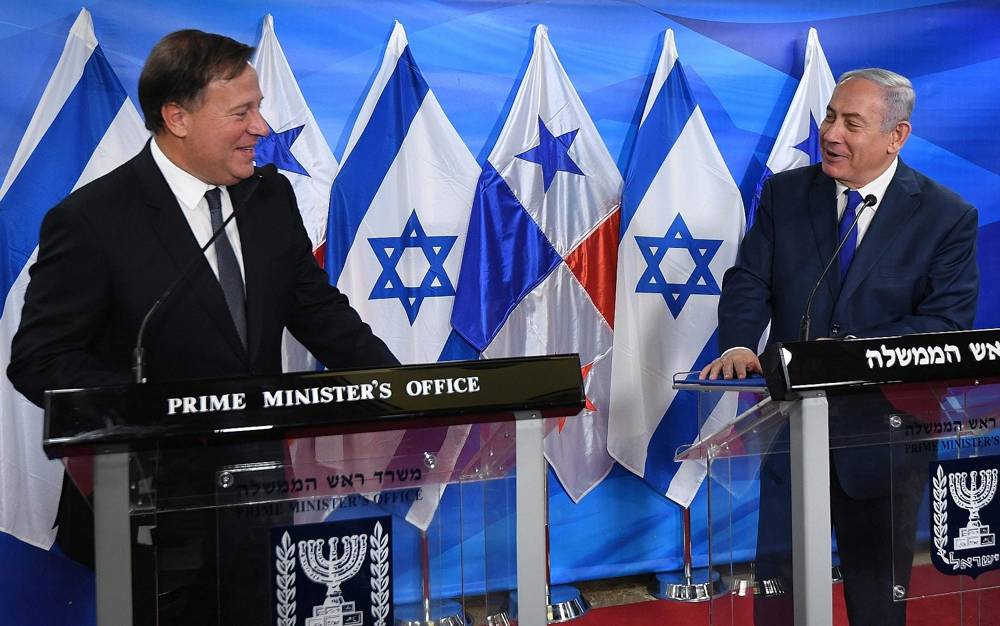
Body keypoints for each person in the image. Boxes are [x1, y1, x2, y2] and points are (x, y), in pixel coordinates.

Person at [7, 29, 397, 624]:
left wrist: (400, 388)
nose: (261, 128)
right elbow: (39, 358)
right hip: (147, 509)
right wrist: (154, 409)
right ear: (178, 118)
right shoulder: (91, 220)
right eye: (242, 112)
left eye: (259, 107)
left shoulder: (270, 197)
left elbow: (317, 310)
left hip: (259, 497)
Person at [701, 68, 979, 625]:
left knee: (877, 592)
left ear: (895, 136)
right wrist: (736, 342)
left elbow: (944, 322)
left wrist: (844, 357)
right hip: (788, 423)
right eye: (830, 116)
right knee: (780, 586)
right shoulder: (785, 193)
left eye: (852, 123)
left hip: (883, 430)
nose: (832, 133)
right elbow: (750, 280)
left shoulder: (946, 216)